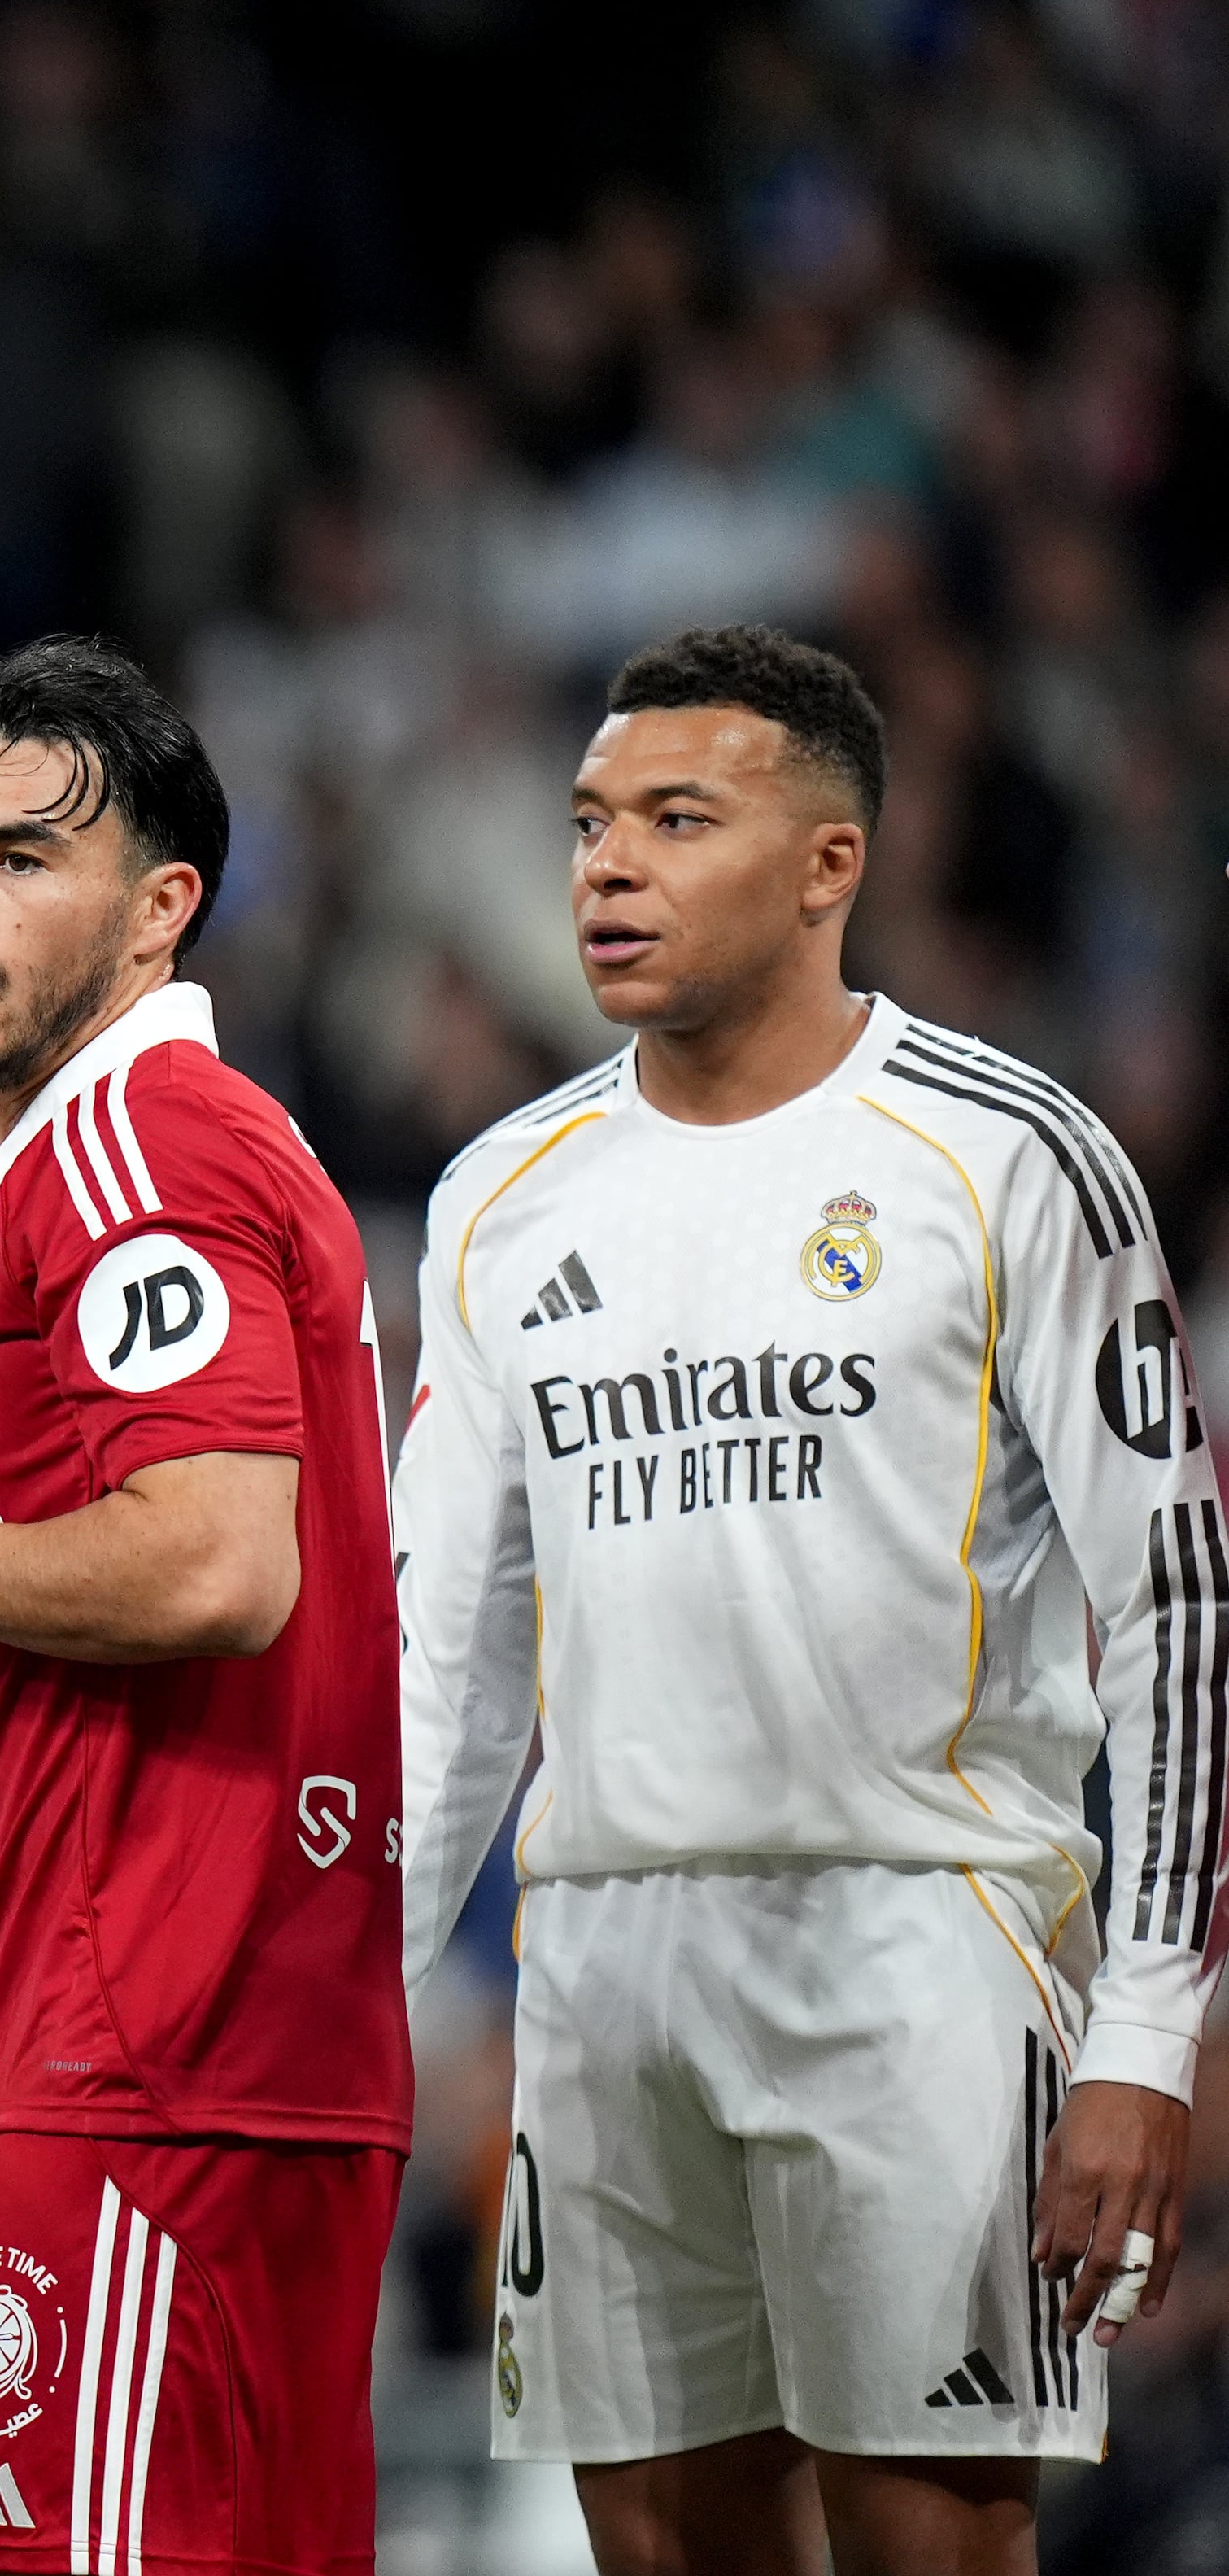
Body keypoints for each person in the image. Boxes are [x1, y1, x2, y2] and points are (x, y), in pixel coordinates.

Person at [394, 624, 1213, 2575]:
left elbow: (1171, 1603)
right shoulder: (501, 1195)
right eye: (590, 824)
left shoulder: (1007, 1153)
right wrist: (372, 1998)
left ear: (828, 864)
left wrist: (1148, 2032)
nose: (606, 867)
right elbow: (450, 1655)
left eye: (678, 821)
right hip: (594, 1966)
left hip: (913, 1940)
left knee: (929, 2545)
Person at [0, 635, 408, 2576]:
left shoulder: (133, 1152)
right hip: (242, 2057)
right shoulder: (180, 1154)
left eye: (22, 857)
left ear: (159, 910)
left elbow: (214, 1557)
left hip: (149, 2051)